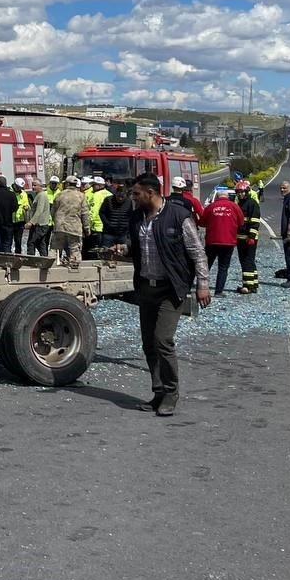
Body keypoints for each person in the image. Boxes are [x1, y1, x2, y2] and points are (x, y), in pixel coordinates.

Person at [112, 172, 210, 417]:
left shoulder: (178, 217)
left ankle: (171, 391)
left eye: (136, 194)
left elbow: (198, 253)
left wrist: (203, 284)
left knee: (162, 340)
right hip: (146, 288)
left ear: (151, 193)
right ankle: (157, 392)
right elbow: (136, 247)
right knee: (148, 343)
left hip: (171, 288)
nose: (132, 198)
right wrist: (122, 249)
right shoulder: (137, 218)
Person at [203, 188, 245, 296]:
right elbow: (241, 222)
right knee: (223, 267)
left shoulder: (211, 207)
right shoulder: (235, 207)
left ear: (217, 197)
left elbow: (202, 221)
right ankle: (219, 291)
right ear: (228, 197)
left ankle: (202, 287)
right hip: (228, 241)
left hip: (212, 241)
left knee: (206, 265)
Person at [50, 176, 90, 265]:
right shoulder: (81, 196)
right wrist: (87, 228)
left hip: (59, 227)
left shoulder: (59, 195)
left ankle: (51, 267)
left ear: (67, 184)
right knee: (75, 248)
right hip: (74, 227)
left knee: (55, 249)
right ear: (76, 185)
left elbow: (53, 212)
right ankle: (75, 270)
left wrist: (56, 221)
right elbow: (85, 214)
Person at [234, 180, 263, 294]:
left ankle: (248, 286)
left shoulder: (252, 203)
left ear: (247, 192)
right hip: (240, 237)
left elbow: (255, 221)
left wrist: (251, 236)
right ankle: (254, 283)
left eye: (242, 192)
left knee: (247, 261)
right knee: (247, 261)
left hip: (248, 238)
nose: (240, 194)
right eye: (239, 192)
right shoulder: (239, 204)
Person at [99, 183, 133, 249]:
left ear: (126, 196)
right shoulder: (108, 200)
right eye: (118, 196)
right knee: (106, 252)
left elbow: (130, 215)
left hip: (123, 233)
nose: (120, 199)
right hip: (109, 233)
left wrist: (127, 226)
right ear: (116, 194)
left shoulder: (129, 202)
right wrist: (107, 224)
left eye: (122, 197)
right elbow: (101, 213)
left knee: (123, 255)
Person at [26, 179, 53, 256]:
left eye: (35, 185)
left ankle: (31, 260)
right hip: (40, 224)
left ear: (40, 186)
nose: (33, 187)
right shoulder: (39, 195)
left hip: (40, 225)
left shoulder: (41, 195)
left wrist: (31, 222)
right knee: (41, 243)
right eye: (32, 185)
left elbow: (39, 210)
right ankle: (44, 260)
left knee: (31, 242)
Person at [85, 176, 111, 254]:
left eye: (94, 185)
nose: (92, 186)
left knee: (95, 248)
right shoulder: (109, 194)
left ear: (100, 185)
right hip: (107, 225)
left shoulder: (96, 195)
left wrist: (89, 223)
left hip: (97, 226)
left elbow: (93, 211)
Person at [11, 177, 31, 254]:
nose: (20, 189)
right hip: (10, 220)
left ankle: (18, 255)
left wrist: (27, 207)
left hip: (20, 220)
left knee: (18, 240)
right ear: (15, 185)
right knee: (9, 240)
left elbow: (27, 204)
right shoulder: (10, 192)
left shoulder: (23, 194)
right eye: (19, 187)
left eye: (21, 188)